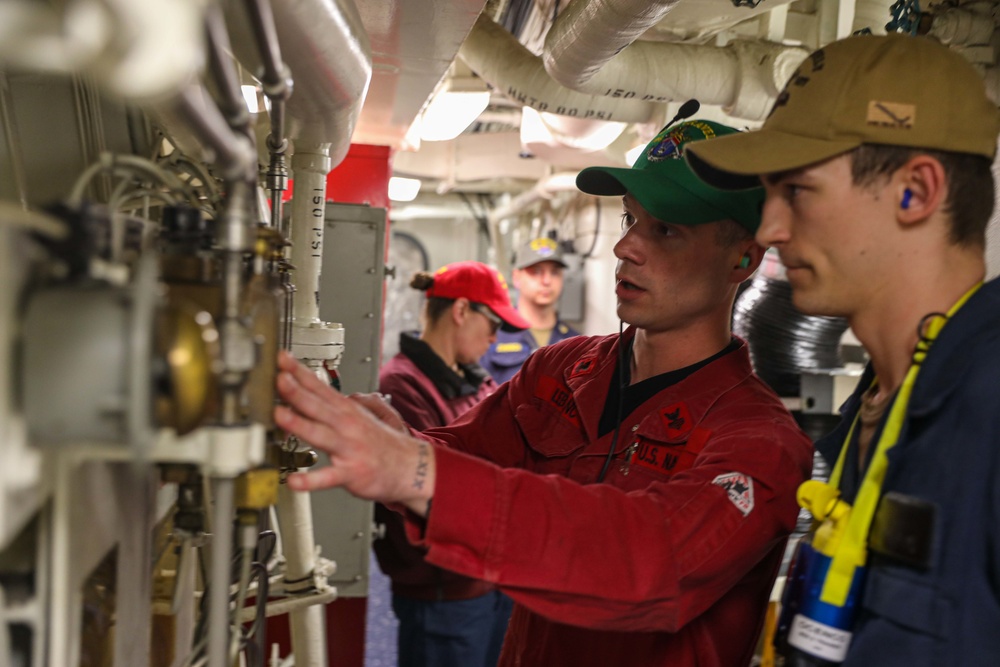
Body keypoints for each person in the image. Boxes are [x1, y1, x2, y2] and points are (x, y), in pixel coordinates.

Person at [274, 120, 814, 666]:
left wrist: (415, 470)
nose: (626, 246)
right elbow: (463, 455)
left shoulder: (759, 443)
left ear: (742, 259)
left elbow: (655, 559)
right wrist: (397, 441)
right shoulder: (563, 369)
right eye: (630, 218)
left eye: (667, 229)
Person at [685, 34, 1000, 665]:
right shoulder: (882, 404)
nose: (770, 228)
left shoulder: (988, 407)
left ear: (917, 190)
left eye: (796, 192)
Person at [375, 261, 529, 667]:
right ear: (461, 311)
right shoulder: (401, 385)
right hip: (444, 591)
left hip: (490, 582)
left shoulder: (476, 382)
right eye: (493, 323)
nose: (495, 338)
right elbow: (441, 483)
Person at [480, 237, 579, 383]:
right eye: (536, 271)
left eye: (554, 272)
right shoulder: (492, 336)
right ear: (516, 277)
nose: (546, 281)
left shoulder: (575, 343)